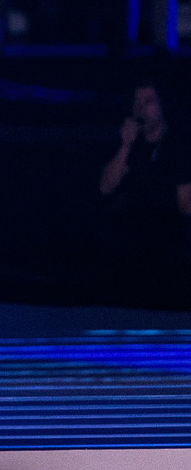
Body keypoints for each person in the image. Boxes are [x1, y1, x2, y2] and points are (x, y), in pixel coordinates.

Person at [97, 78, 191, 306]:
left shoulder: (178, 145)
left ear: (161, 106)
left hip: (167, 240)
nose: (141, 109)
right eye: (137, 102)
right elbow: (105, 187)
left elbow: (186, 205)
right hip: (128, 237)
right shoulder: (129, 143)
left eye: (148, 102)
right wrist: (126, 146)